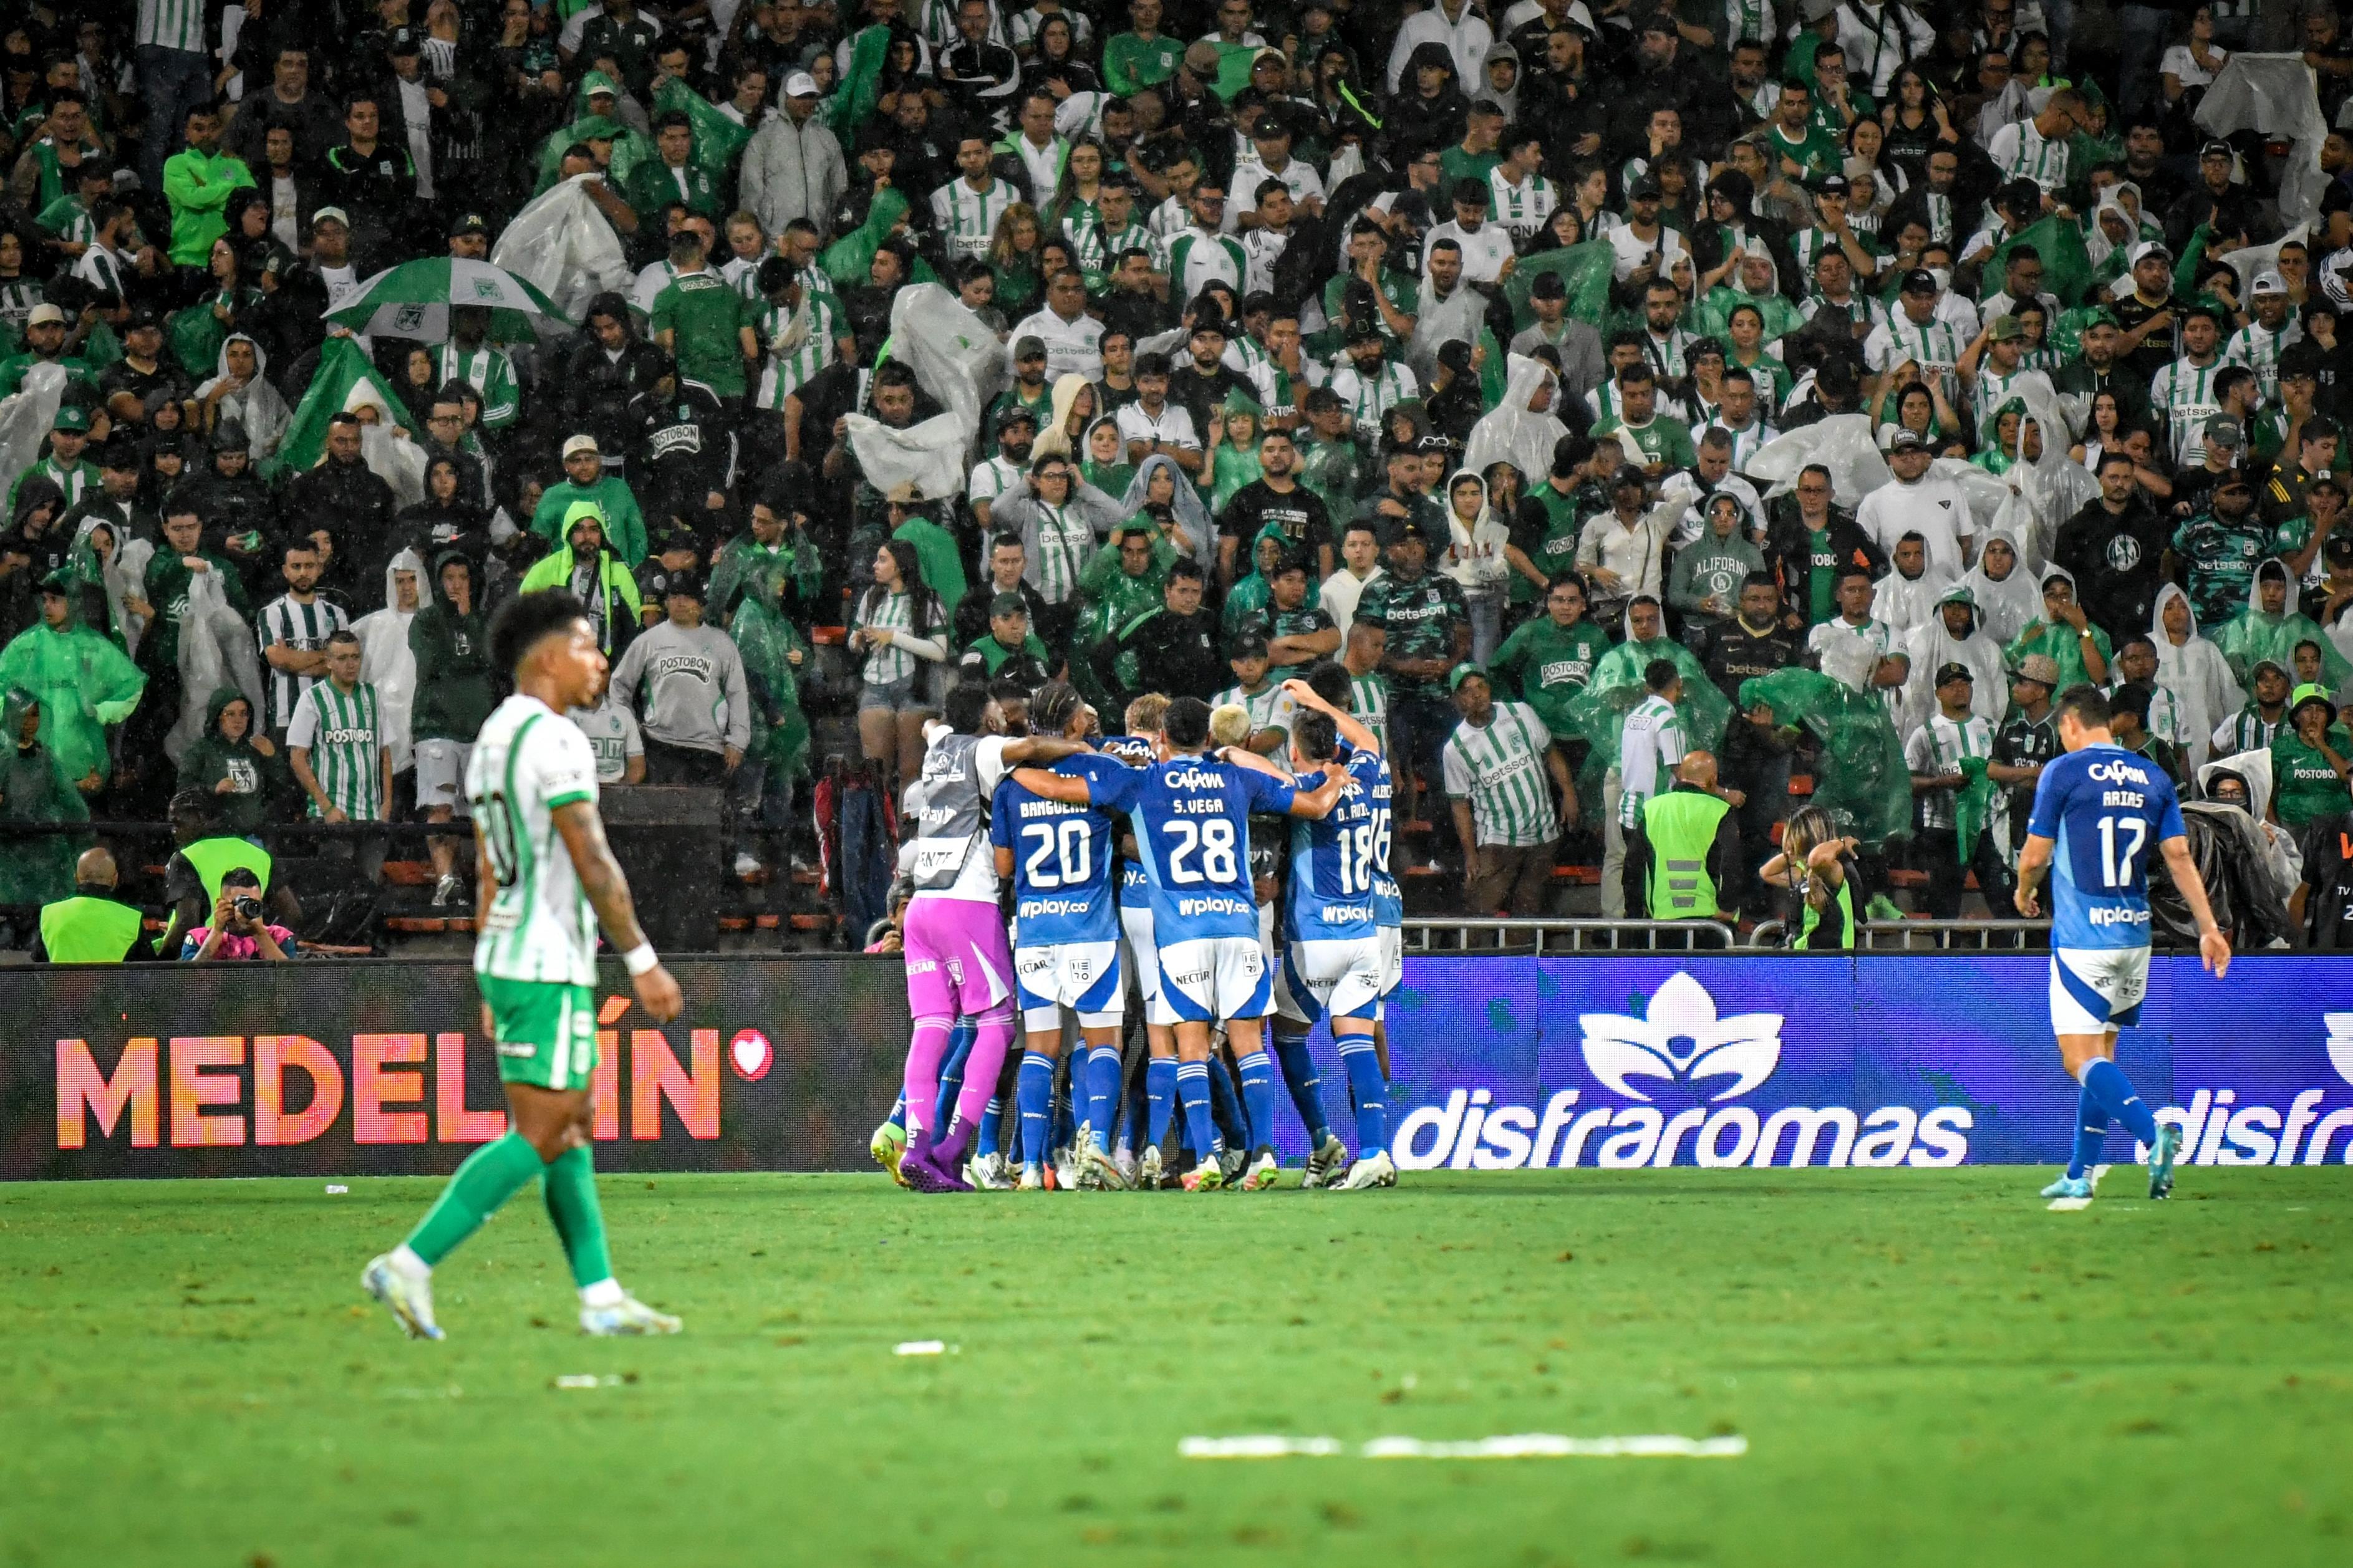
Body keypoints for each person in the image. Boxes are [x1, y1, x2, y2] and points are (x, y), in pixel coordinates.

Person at [364, 590, 685, 1342]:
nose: (600, 658)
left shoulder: (495, 736)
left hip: (510, 951)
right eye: (585, 643)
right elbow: (592, 855)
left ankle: (601, 1295)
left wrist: (485, 965)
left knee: (569, 1125)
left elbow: (484, 870)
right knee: (544, 1129)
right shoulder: (557, 738)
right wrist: (641, 959)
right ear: (545, 656)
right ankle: (409, 1262)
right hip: (545, 956)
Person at [1013, 692, 1347, 1189]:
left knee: (1188, 1046)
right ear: (1209, 737)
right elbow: (1312, 803)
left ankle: (1206, 1158)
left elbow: (1053, 788)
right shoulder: (1236, 776)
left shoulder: (1141, 782)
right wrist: (1335, 779)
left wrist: (1006, 766)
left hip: (1180, 934)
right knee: (1248, 1044)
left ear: (1163, 738)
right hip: (1237, 924)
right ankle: (1262, 1153)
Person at [892, 681, 1091, 1193]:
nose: (1001, 717)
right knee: (998, 1025)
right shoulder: (980, 750)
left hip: (921, 907)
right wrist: (1080, 747)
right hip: (967, 901)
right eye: (994, 712)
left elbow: (930, 725)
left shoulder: (938, 744)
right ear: (982, 717)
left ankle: (916, 1146)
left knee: (931, 1027)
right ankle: (952, 1148)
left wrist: (939, 723)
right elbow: (1025, 749)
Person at [986, 681, 1131, 1191]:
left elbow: (1003, 865)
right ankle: (1094, 1151)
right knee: (1102, 1043)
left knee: (1040, 1051)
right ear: (1074, 724)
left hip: (1035, 928)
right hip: (1089, 928)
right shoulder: (1100, 770)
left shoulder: (1011, 784)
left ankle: (1028, 1167)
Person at [1442, 663, 1576, 916]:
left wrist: (1569, 793)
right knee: (1480, 908)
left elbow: (1551, 755)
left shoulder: (1521, 713)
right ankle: (1472, 956)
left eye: (1481, 686)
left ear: (1490, 688)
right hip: (1499, 839)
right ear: (1458, 699)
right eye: (1468, 690)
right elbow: (1459, 805)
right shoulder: (1455, 748)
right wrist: (1471, 854)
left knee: (1529, 909)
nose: (1477, 694)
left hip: (1544, 833)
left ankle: (1522, 957)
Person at [409, 552, 495, 907]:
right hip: (436, 727)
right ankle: (444, 877)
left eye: (463, 576)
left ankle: (458, 881)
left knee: (466, 810)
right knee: (440, 807)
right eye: (449, 577)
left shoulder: (481, 620)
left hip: (475, 730)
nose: (457, 584)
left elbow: (490, 659)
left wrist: (468, 621)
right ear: (439, 581)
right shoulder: (426, 621)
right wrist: (466, 658)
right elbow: (432, 665)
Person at [1906, 661, 2009, 921]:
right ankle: (1944, 959)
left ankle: (2010, 957)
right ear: (1938, 693)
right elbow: (1907, 783)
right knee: (1944, 906)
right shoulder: (1924, 734)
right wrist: (1940, 783)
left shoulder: (1993, 728)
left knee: (2003, 900)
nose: (1959, 690)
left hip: (1986, 827)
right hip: (1944, 831)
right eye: (1951, 685)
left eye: (1965, 684)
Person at [1623, 750, 1742, 926]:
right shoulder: (1720, 811)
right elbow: (1731, 865)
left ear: (1680, 775)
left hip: (1661, 919)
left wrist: (1635, 912)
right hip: (1710, 921)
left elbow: (1633, 865)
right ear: (1714, 779)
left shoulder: (1653, 809)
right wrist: (1728, 907)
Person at [1757, 805, 1858, 950]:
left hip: (1833, 963)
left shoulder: (1834, 870)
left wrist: (1841, 843)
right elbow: (1766, 873)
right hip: (1803, 960)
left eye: (1793, 835)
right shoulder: (1803, 872)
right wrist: (1792, 853)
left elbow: (1817, 858)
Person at [33, 847, 143, 963]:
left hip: (61, 982)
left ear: (76, 878)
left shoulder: (49, 915)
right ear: (115, 879)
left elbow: (38, 963)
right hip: (113, 982)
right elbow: (149, 970)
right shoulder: (132, 920)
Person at [181, 867, 294, 962]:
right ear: (222, 904)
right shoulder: (198, 938)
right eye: (240, 902)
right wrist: (217, 931)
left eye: (254, 903)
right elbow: (188, 979)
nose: (247, 908)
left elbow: (293, 979)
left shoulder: (279, 936)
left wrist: (260, 934)